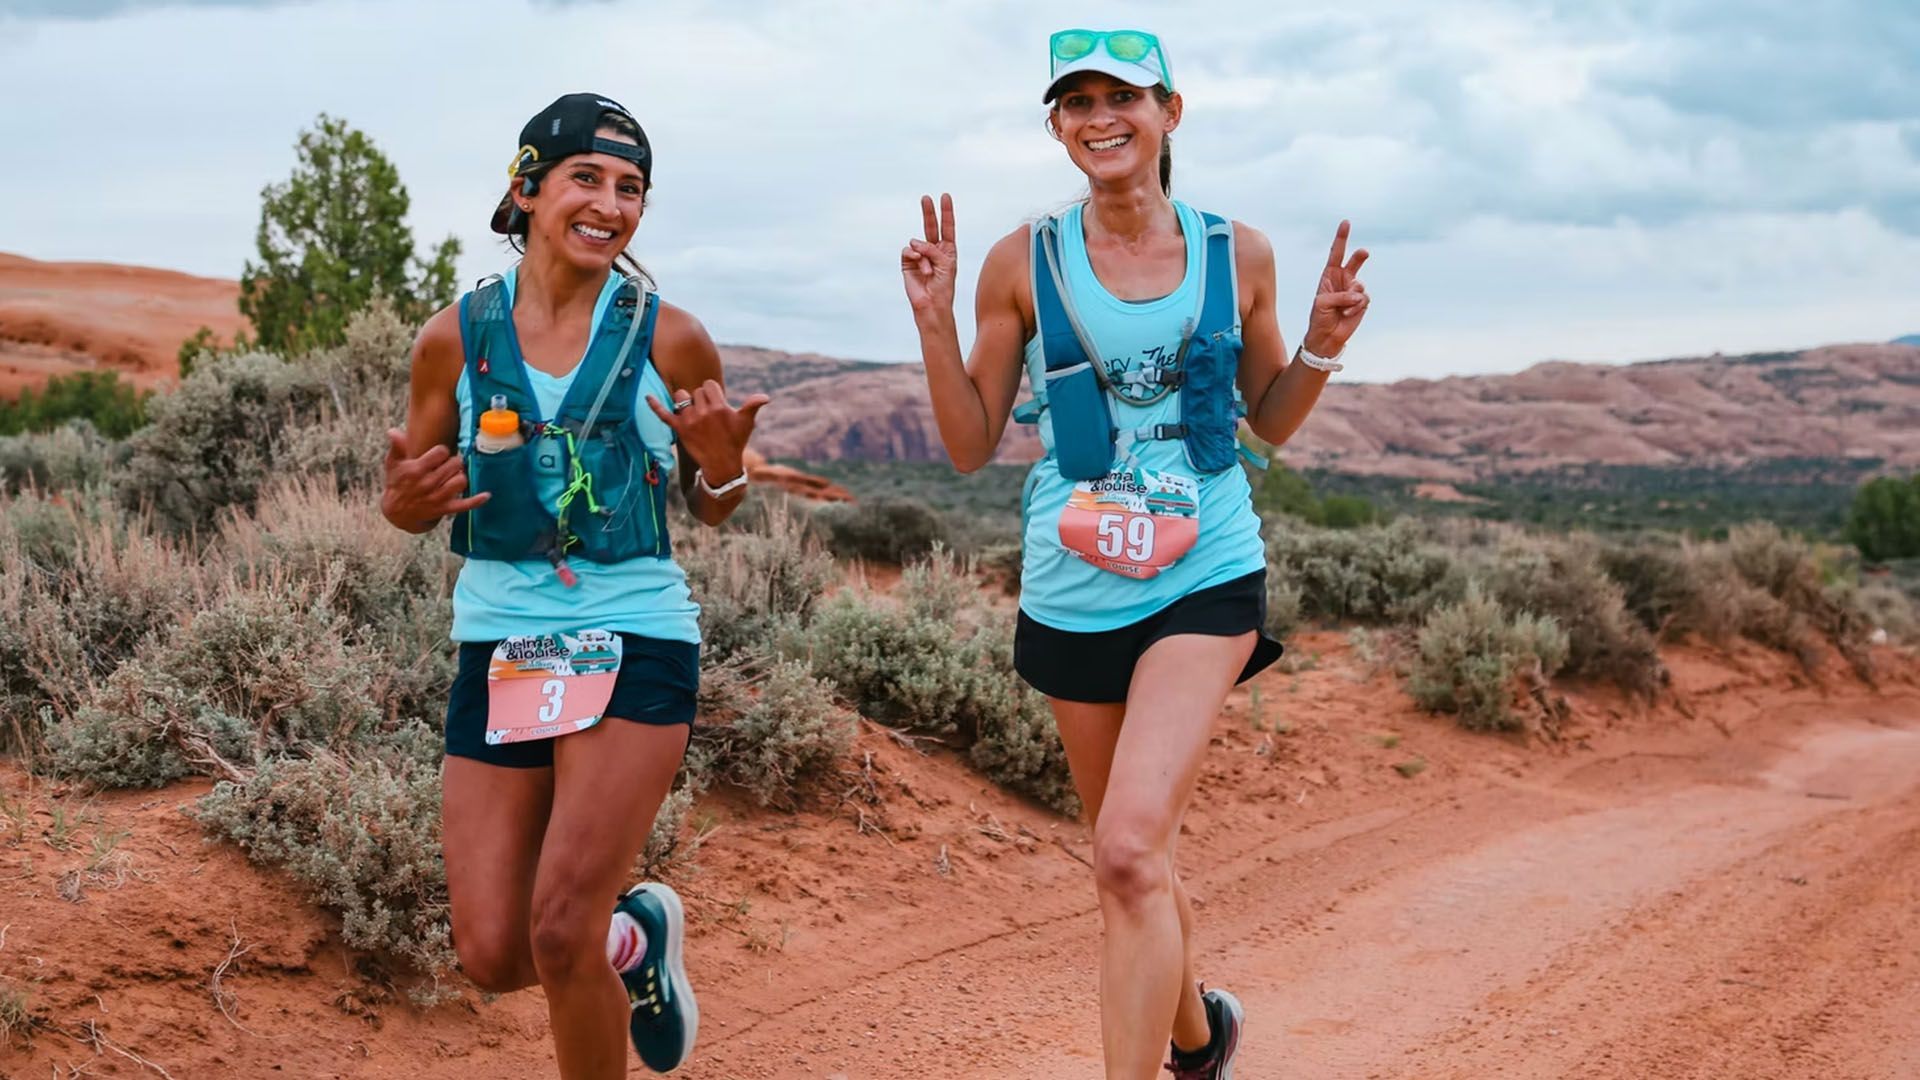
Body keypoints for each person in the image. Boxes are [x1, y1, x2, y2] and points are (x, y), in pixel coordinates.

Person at [899, 30, 1371, 1080]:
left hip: (1205, 568)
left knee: (1123, 850)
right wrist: (933, 323)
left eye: (1124, 96)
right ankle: (1199, 1036)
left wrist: (1325, 345)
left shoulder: (1234, 252)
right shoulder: (1024, 259)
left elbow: (1271, 421)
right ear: (1056, 125)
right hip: (1073, 581)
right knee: (1131, 864)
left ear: (1170, 111)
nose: (1101, 117)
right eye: (1076, 102)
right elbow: (971, 444)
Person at [381, 92, 765, 1079]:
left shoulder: (669, 338)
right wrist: (405, 507)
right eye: (585, 179)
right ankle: (634, 940)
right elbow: (414, 500)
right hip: (503, 641)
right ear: (527, 188)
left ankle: (599, 936)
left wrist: (723, 469)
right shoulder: (451, 340)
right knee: (496, 953)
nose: (610, 204)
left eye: (631, 187)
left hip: (634, 632)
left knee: (559, 930)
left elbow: (712, 503)